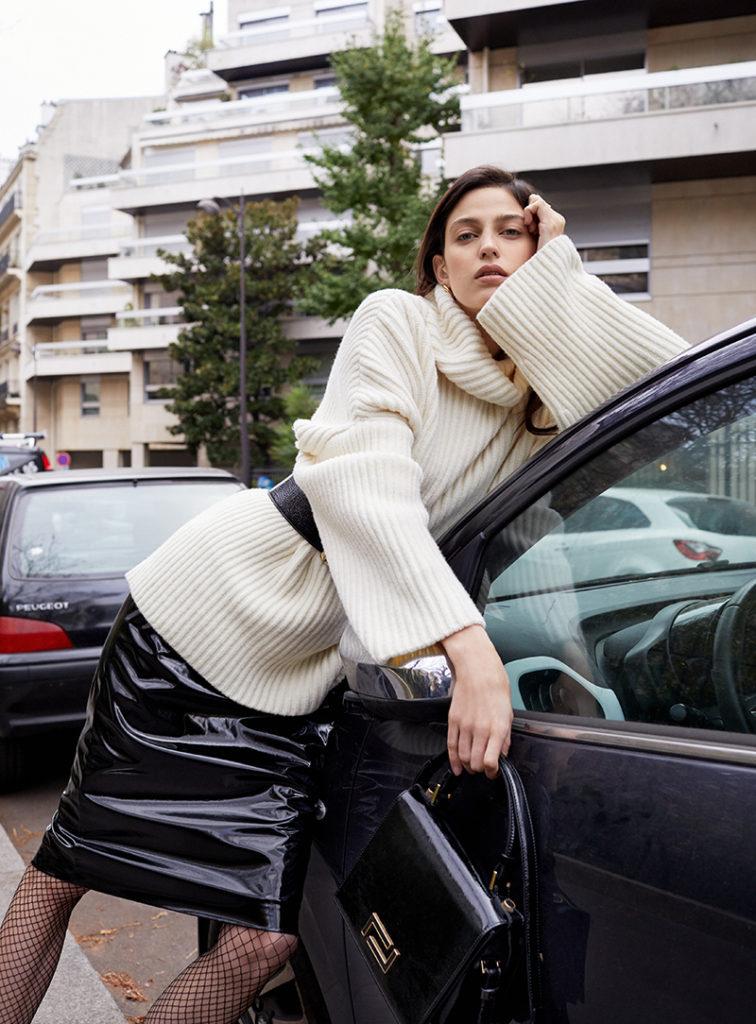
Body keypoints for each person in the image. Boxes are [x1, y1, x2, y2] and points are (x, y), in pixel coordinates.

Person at [0, 166, 687, 1024]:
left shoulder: (534, 406)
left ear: (537, 249)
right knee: (68, 868)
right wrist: (468, 647)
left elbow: (670, 392)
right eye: (465, 235)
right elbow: (368, 490)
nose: (488, 247)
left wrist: (563, 277)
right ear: (438, 266)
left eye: (511, 231)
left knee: (263, 943)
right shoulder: (395, 322)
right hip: (198, 625)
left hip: (296, 688)